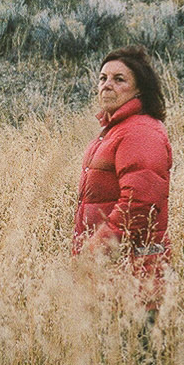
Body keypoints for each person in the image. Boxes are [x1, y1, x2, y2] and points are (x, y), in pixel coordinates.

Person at [73, 45, 172, 316]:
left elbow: (139, 203)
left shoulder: (140, 132)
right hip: (114, 276)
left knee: (135, 355)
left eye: (119, 79)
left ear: (139, 89)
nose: (107, 85)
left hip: (136, 279)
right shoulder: (116, 131)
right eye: (103, 78)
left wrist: (96, 249)